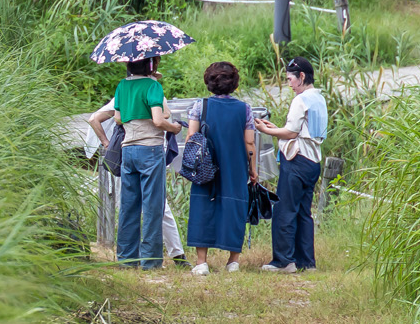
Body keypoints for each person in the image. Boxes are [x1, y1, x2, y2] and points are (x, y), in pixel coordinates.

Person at [87, 56, 181, 269]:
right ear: (151, 65)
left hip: (127, 150)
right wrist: (174, 128)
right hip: (150, 149)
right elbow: (158, 120)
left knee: (129, 205)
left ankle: (127, 259)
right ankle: (150, 262)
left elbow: (118, 119)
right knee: (152, 205)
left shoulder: (122, 85)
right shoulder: (152, 85)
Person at [253, 57, 329, 273]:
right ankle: (307, 262)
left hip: (296, 161)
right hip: (313, 161)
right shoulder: (319, 98)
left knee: (284, 210)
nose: (288, 84)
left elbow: (292, 133)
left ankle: (284, 261)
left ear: (301, 76)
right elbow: (300, 131)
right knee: (304, 212)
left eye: (290, 79)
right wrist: (278, 128)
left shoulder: (301, 100)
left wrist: (267, 130)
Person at [183, 61, 257, 275]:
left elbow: (191, 137)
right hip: (235, 166)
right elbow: (249, 143)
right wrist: (252, 169)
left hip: (206, 166)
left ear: (209, 83)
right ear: (234, 84)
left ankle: (201, 262)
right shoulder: (244, 109)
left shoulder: (200, 106)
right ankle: (233, 261)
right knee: (235, 207)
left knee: (202, 207)